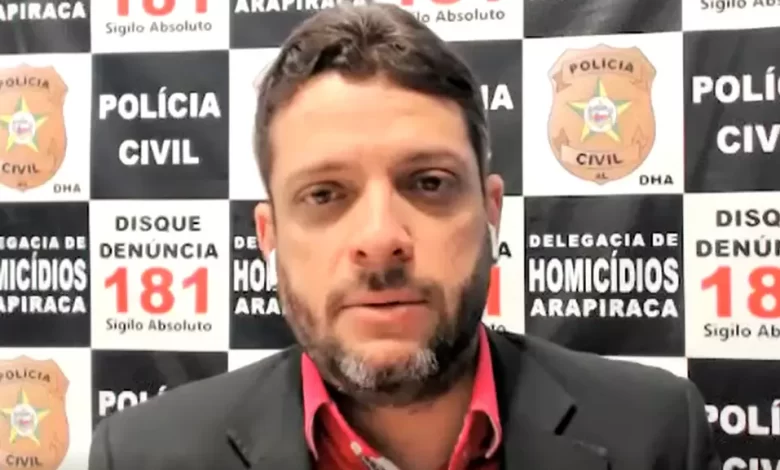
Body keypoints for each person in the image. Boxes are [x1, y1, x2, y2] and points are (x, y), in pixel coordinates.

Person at [88, 3, 721, 470]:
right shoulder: (144, 455)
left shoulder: (657, 432)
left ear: (491, 212)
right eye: (324, 194)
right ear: (269, 234)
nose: (380, 238)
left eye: (429, 183)